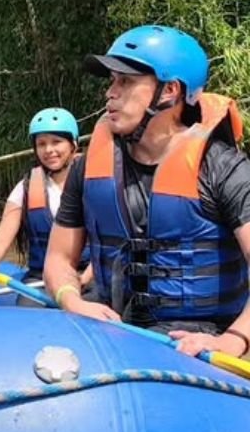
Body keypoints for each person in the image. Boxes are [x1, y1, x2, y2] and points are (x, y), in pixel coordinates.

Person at [43, 25, 250, 358]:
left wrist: (233, 341)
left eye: (125, 81)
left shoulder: (224, 169)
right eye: (112, 80)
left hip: (199, 339)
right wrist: (71, 299)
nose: (110, 93)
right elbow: (58, 259)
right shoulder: (87, 168)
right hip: (113, 323)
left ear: (169, 90)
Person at [0, 108, 87, 308]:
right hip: (43, 279)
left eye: (56, 142)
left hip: (87, 277)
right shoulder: (26, 188)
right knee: (28, 308)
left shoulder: (93, 183)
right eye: (41, 144)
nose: (48, 150)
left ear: (73, 144)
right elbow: (1, 240)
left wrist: (85, 278)